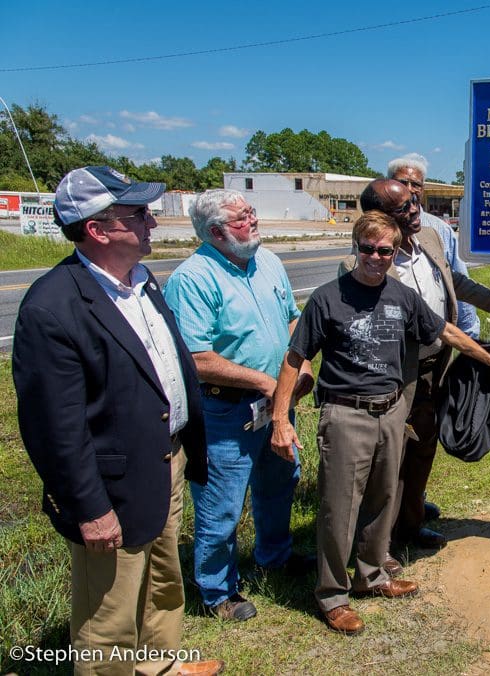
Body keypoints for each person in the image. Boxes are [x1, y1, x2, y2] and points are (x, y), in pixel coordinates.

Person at [12, 166, 223, 675]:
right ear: (97, 229)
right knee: (108, 611)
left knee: (162, 583)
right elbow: (53, 427)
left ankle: (160, 667)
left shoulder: (141, 280)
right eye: (139, 214)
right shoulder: (52, 307)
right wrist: (90, 507)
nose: (153, 221)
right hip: (111, 486)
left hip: (164, 459)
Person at [270, 211, 490, 635]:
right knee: (338, 509)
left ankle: (371, 575)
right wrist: (279, 417)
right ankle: (332, 595)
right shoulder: (327, 298)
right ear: (355, 248)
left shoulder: (401, 297)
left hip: (392, 410)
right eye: (367, 249)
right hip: (346, 413)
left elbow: (447, 333)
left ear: (393, 252)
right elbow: (296, 357)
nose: (376, 257)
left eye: (385, 250)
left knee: (384, 498)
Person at [344, 179, 490, 554]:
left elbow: (452, 281)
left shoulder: (431, 242)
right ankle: (379, 547)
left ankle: (411, 525)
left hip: (435, 369)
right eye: (404, 208)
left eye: (414, 201)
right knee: (387, 464)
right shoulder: (368, 264)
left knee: (423, 451)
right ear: (379, 218)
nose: (414, 210)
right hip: (395, 377)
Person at [163, 189, 315, 621]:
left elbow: (291, 317)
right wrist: (268, 382)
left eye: (251, 212)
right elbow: (197, 358)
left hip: (276, 404)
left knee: (279, 480)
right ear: (215, 232)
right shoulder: (192, 279)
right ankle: (216, 591)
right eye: (241, 219)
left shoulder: (267, 261)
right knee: (221, 503)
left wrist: (299, 365)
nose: (253, 222)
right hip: (225, 412)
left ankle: (274, 555)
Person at [388, 152, 480, 338]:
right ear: (390, 185)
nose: (409, 189)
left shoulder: (439, 230)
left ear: (422, 189)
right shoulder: (376, 231)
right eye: (402, 182)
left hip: (439, 347)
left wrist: (470, 336)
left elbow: (458, 282)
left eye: (415, 184)